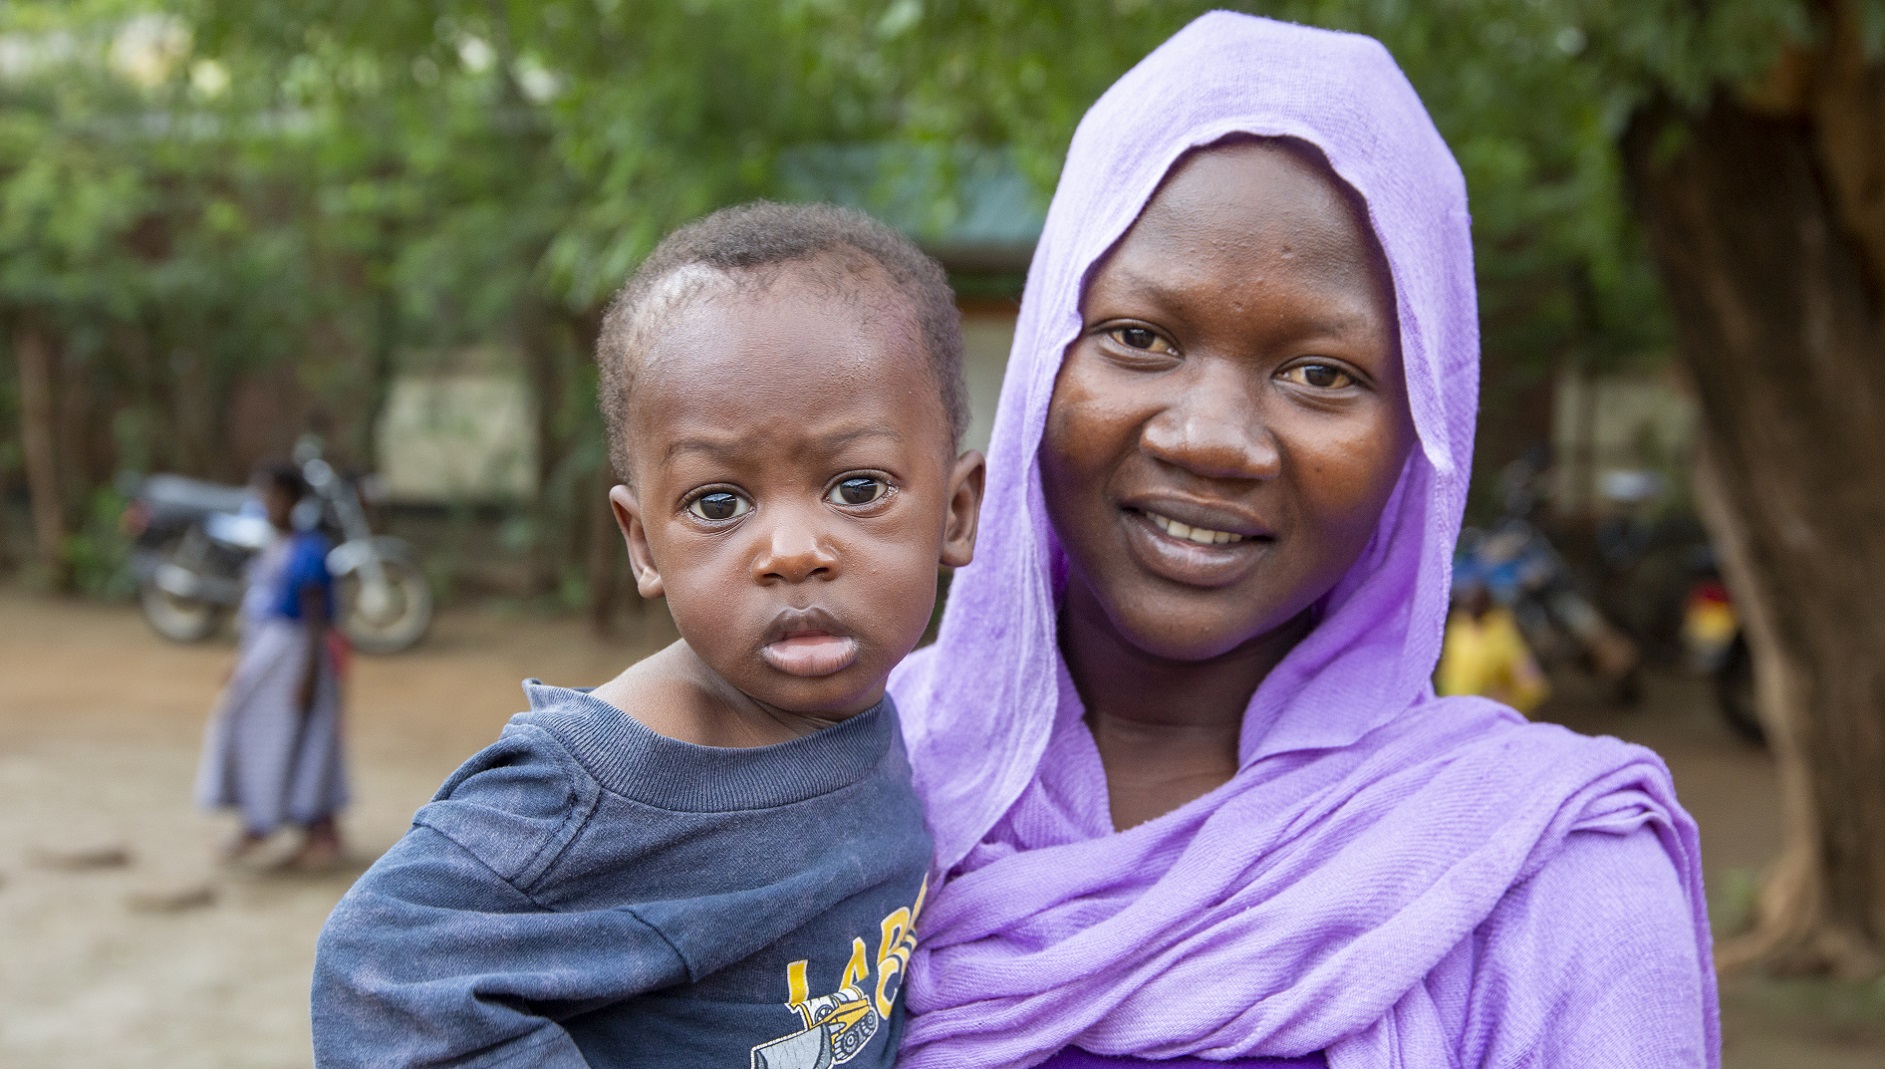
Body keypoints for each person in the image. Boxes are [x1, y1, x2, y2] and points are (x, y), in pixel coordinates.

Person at [888, 13, 1716, 1069]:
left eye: (1321, 373)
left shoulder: (1555, 881)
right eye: (1139, 338)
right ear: (1046, 359)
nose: (1211, 439)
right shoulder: (850, 778)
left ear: (1418, 438)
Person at [311, 203, 985, 1069]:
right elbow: (379, 968)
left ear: (956, 511)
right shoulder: (594, 789)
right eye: (718, 503)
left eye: (857, 488)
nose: (792, 551)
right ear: (643, 542)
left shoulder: (894, 710)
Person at [196, 460, 347, 869]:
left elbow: (318, 620)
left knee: (303, 740)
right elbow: (258, 611)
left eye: (276, 496)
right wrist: (243, 658)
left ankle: (318, 830)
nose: (268, 504)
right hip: (266, 654)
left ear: (295, 501)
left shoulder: (310, 550)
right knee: (251, 732)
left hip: (297, 657)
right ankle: (259, 821)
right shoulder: (269, 546)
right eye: (263, 496)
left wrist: (309, 678)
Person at [1437, 581, 1550, 713]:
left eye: (1474, 601)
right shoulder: (1459, 625)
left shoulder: (1503, 631)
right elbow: (1449, 666)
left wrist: (1507, 703)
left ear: (1487, 603)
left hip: (1490, 717)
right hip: (1453, 710)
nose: (1468, 605)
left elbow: (1531, 683)